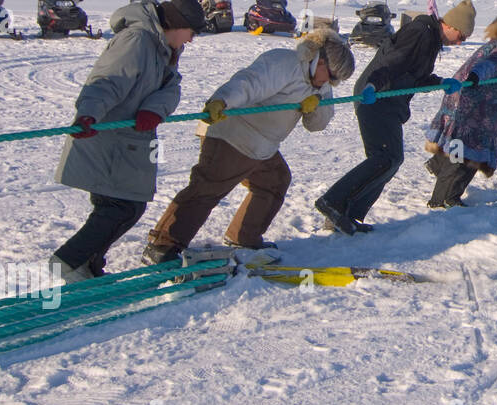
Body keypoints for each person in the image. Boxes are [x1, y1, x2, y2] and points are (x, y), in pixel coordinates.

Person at [142, 27, 355, 262]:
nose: (330, 82)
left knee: (274, 182)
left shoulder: (323, 86)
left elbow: (317, 126)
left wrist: (317, 108)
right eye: (332, 75)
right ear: (319, 58)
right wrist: (221, 101)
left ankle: (243, 238)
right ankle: (163, 244)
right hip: (232, 133)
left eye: (337, 81)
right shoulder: (285, 63)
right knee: (208, 187)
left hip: (262, 146)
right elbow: (249, 83)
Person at [49, 0, 204, 282]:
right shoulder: (137, 41)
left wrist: (153, 109)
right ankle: (69, 261)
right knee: (122, 206)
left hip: (131, 138)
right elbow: (106, 81)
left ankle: (87, 263)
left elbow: (172, 87)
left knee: (122, 206)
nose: (192, 40)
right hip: (106, 133)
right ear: (178, 25)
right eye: (192, 33)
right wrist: (88, 115)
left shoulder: (162, 46)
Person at [316, 0, 474, 233]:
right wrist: (372, 84)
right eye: (461, 36)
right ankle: (334, 203)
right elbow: (392, 61)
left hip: (388, 99)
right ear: (450, 25)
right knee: (387, 157)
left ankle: (347, 214)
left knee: (387, 159)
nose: (460, 42)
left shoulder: (430, 40)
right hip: (376, 96)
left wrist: (439, 82)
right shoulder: (420, 32)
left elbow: (413, 76)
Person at [424, 16, 497, 207]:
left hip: (478, 110)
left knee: (463, 152)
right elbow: (489, 65)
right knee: (464, 157)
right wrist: (476, 75)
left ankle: (438, 166)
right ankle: (443, 200)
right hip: (473, 110)